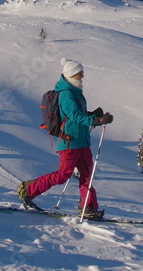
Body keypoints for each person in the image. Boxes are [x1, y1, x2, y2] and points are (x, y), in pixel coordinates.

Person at [18, 58, 113, 220]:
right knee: (63, 175)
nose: (82, 76)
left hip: (82, 142)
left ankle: (88, 207)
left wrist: (93, 115)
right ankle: (28, 189)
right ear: (70, 75)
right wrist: (96, 121)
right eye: (79, 73)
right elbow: (75, 117)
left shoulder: (75, 92)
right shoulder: (66, 94)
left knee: (87, 175)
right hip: (70, 142)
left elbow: (77, 116)